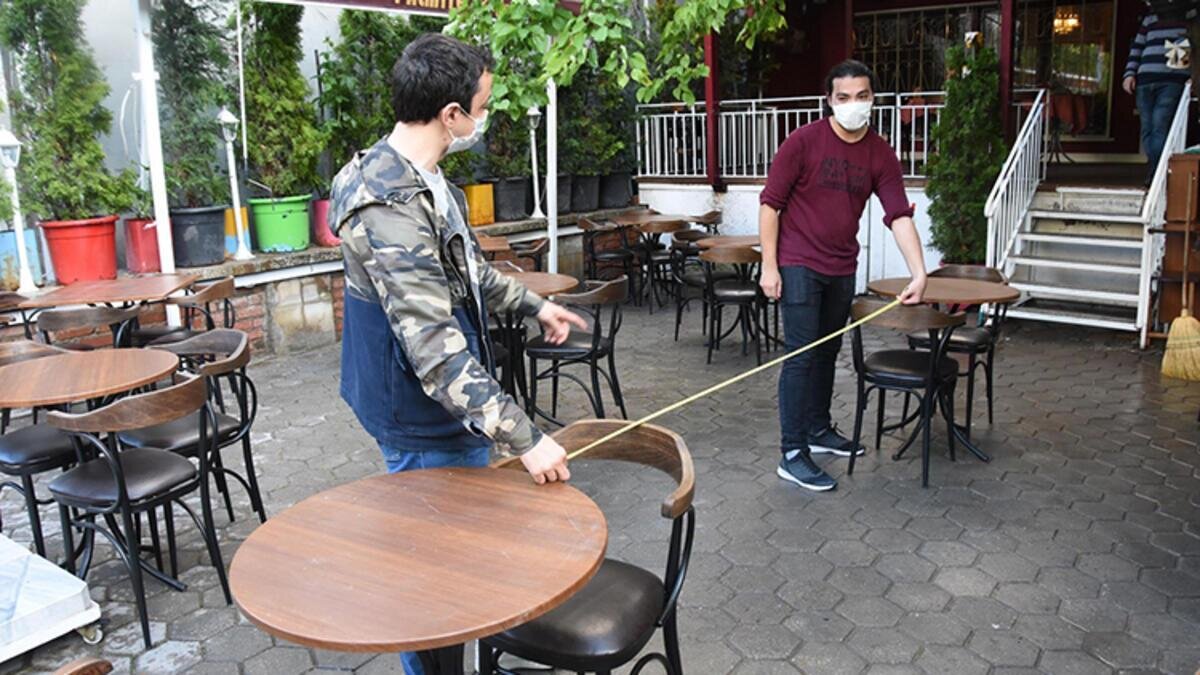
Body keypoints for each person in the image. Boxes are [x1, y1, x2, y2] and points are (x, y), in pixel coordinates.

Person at [329, 33, 586, 675]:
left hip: (434, 404)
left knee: (459, 562)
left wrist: (533, 304)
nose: (484, 118)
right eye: (483, 105)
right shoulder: (386, 205)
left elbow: (466, 271)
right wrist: (525, 437)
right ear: (451, 114)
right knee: (434, 581)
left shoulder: (422, 176)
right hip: (418, 414)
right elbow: (437, 356)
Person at [758, 60, 927, 493]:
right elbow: (770, 204)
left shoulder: (879, 152)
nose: (853, 105)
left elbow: (898, 214)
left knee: (828, 352)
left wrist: (919, 272)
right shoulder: (803, 142)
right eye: (844, 98)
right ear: (830, 101)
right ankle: (793, 452)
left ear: (873, 98)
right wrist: (770, 266)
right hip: (798, 263)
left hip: (841, 266)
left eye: (862, 96)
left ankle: (817, 429)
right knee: (800, 356)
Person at [1123, 3, 1193, 184]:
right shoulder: (1150, 18)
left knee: (1159, 126)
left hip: (1171, 81)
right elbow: (1137, 47)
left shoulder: (1187, 17)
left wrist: (1190, 76)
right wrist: (1129, 74)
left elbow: (1184, 55)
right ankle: (1157, 168)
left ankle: (1156, 172)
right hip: (1144, 79)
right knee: (1147, 129)